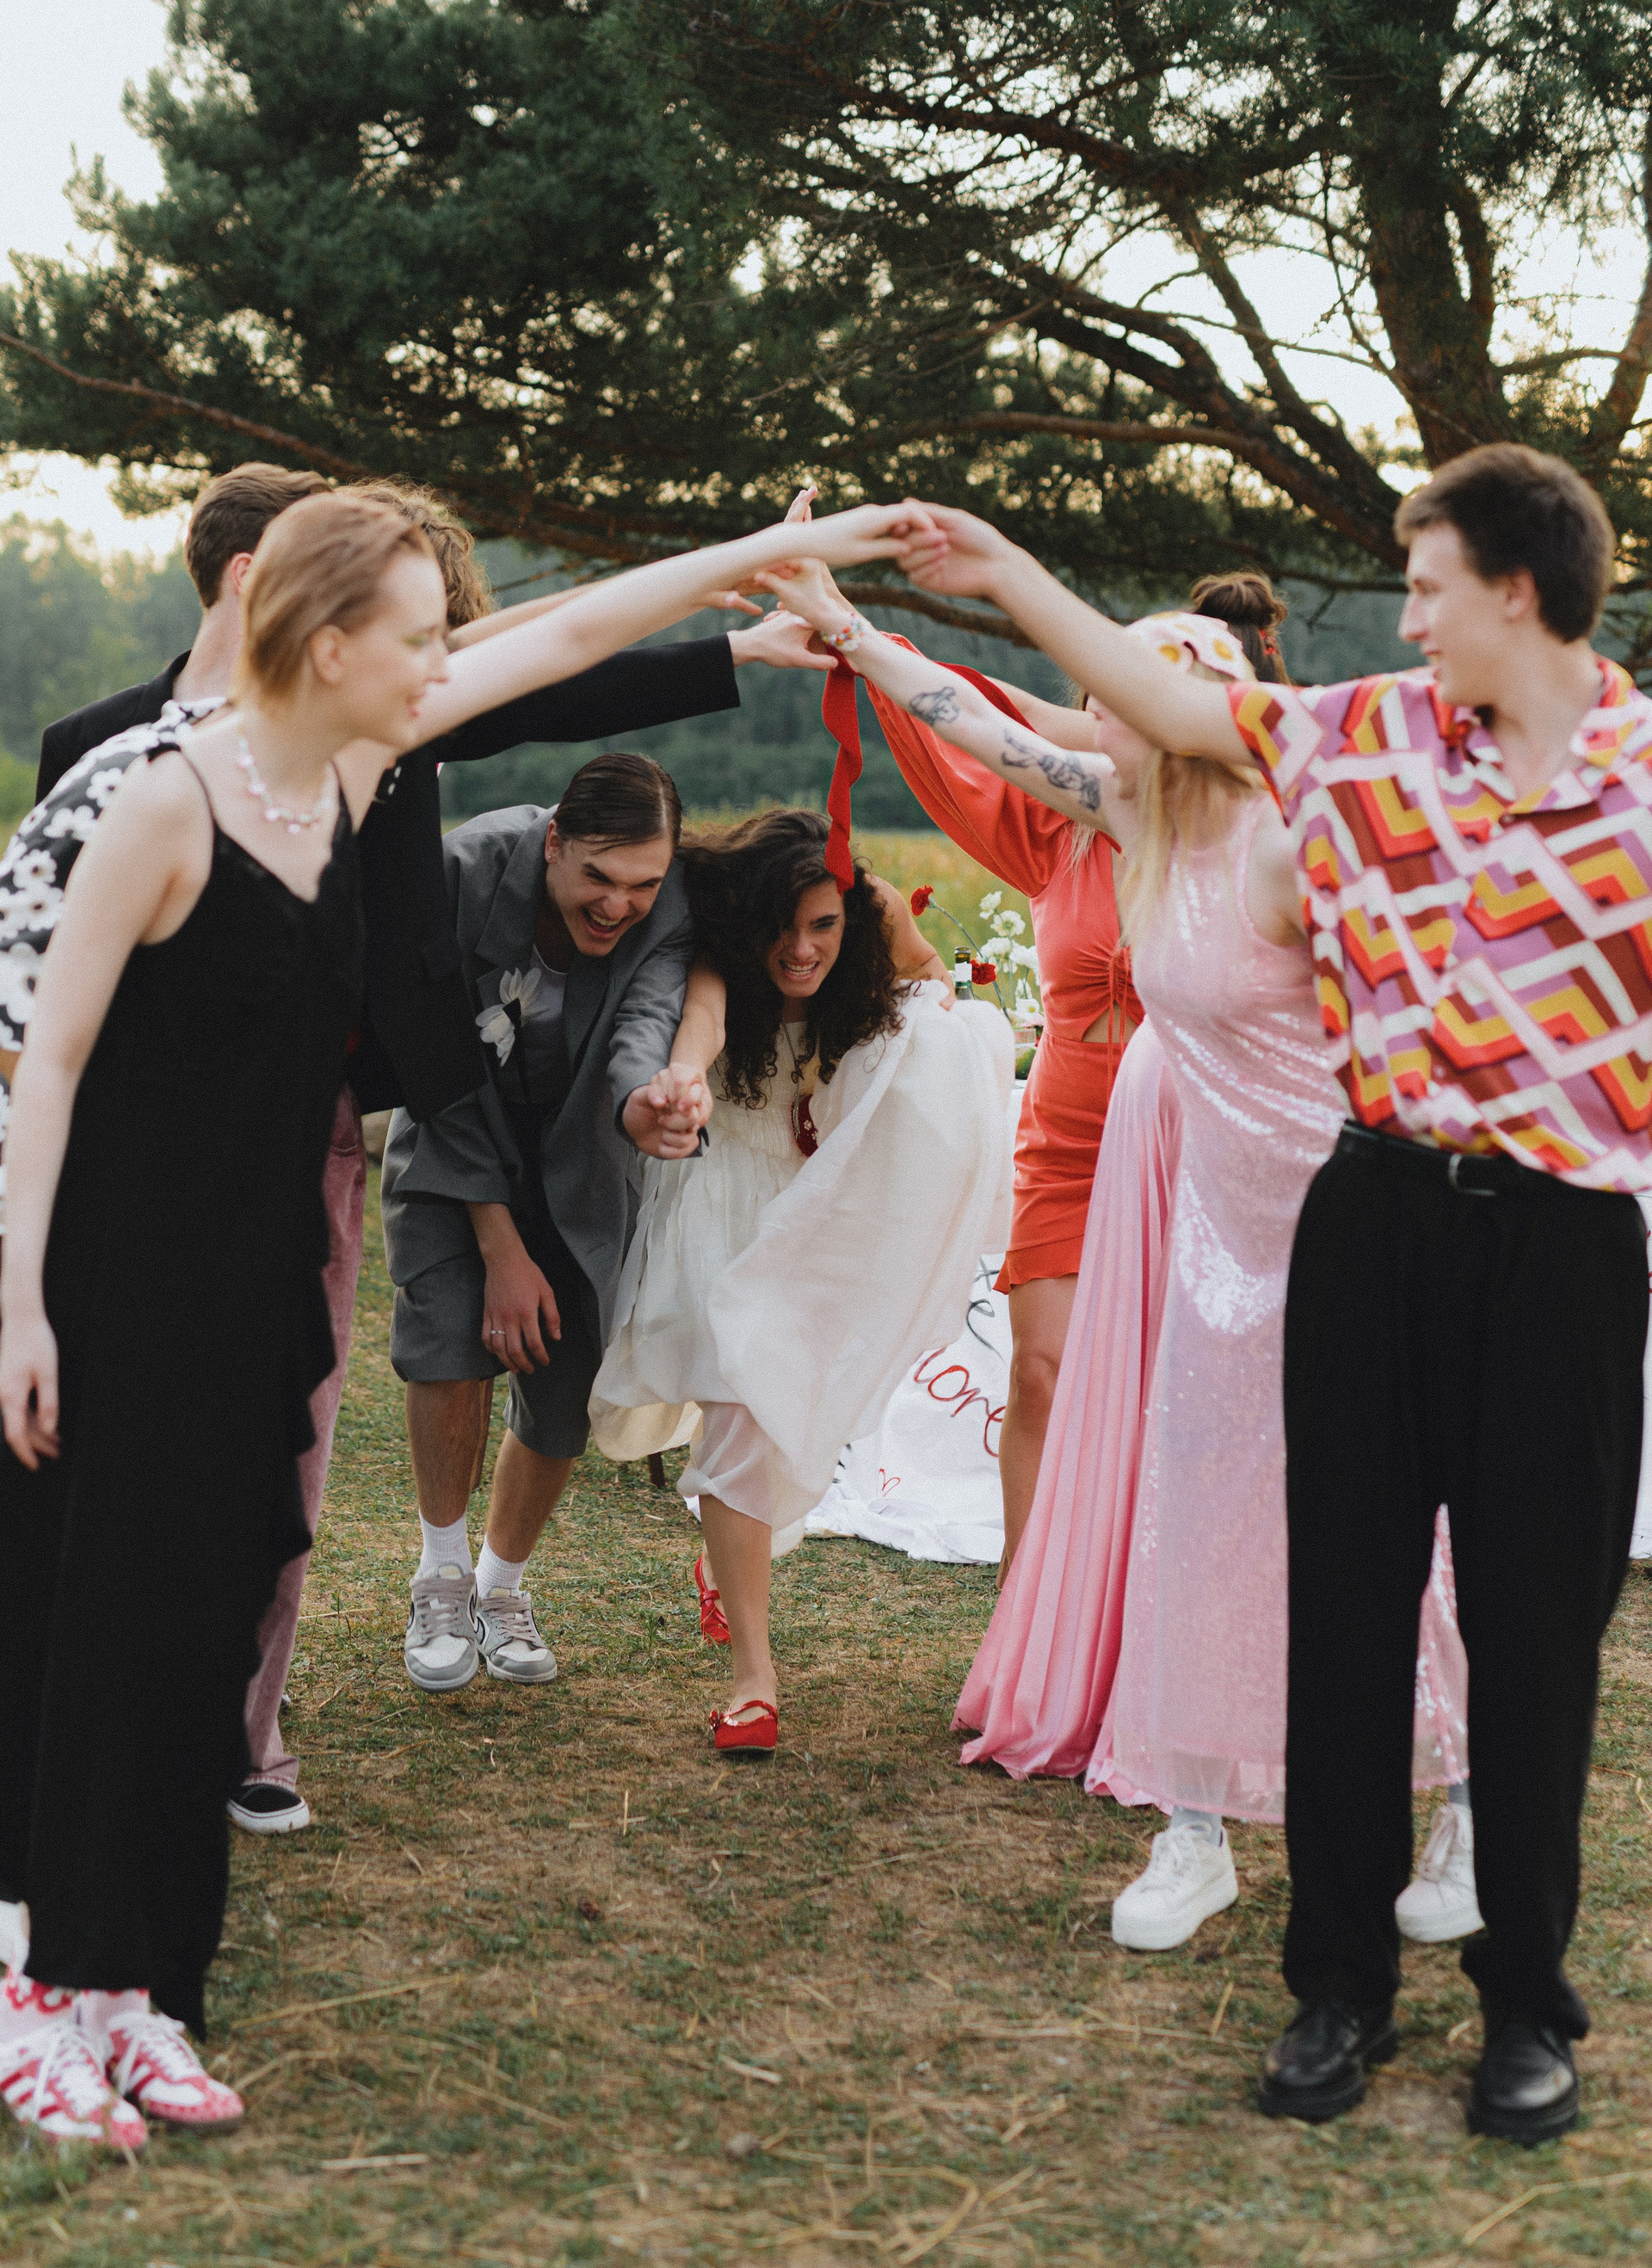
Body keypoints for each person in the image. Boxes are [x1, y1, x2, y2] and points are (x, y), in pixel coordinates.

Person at [0, 488, 938, 2148]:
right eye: (425, 636)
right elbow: (42, 1053)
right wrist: (18, 1299)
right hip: (115, 1278)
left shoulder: (344, 771)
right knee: (107, 1630)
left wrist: (758, 560)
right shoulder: (157, 790)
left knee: (211, 1628)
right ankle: (41, 1996)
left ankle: (141, 1993)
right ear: (327, 640)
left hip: (252, 1280)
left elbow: (570, 639)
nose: (452, 659)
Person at [873, 451, 1649, 2143]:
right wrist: (998, 568)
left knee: (1534, 1639)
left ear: (1517, 592)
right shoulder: (1364, 740)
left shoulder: (1647, 780)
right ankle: (1338, 1992)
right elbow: (1153, 705)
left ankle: (1526, 2007)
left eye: (1428, 586)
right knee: (1345, 1610)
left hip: (1564, 1245)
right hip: (1370, 1215)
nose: (1406, 618)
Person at [24, 463, 830, 1836]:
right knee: (105, 1456)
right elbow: (49, 1022)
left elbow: (558, 652)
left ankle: (245, 1729)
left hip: (318, 1129)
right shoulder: (107, 757)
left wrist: (737, 608)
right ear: (268, 585)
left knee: (280, 1446)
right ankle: (73, 1730)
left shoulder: (374, 735)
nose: (428, 648)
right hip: (133, 1156)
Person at [769, 566, 1475, 1951]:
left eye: (1119, 698)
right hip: (1204, 1222)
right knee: (1195, 1499)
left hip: (1334, 1221)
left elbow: (1417, 1024)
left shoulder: (1291, 843)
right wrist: (850, 631)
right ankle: (1192, 1826)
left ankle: (1464, 1805)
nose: (1091, 717)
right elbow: (977, 727)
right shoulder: (1128, 812)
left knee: (1385, 1513)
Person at [589, 809, 1012, 1751]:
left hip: (817, 1199)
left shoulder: (877, 916)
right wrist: (684, 1079)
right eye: (784, 928)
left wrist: (891, 1068)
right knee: (743, 1412)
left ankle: (724, 1564)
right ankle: (756, 1679)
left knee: (782, 1423)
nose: (804, 949)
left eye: (824, 926)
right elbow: (701, 1022)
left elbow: (935, 987)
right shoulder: (723, 955)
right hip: (722, 1196)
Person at [381, 754, 706, 1692]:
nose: (619, 905)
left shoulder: (668, 905)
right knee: (448, 1342)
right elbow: (430, 1057)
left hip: (580, 1153)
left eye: (642, 884)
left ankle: (501, 1587)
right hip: (454, 1134)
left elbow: (647, 1015)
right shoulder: (461, 873)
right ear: (554, 839)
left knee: (564, 1373)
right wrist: (499, 1244)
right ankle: (442, 1578)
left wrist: (644, 1101)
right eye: (599, 876)